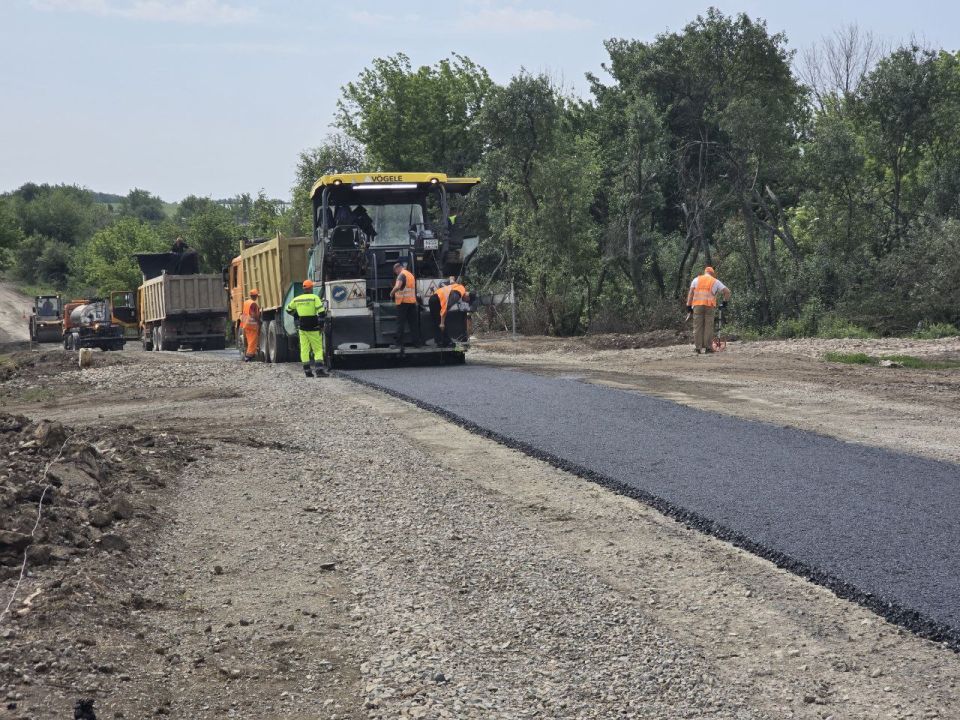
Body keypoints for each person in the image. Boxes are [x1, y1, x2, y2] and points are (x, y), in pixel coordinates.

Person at [285, 279, 328, 377]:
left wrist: (296, 316)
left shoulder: (297, 299)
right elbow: (321, 313)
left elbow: (288, 309)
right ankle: (319, 371)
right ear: (311, 288)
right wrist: (321, 325)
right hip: (313, 326)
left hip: (302, 327)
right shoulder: (314, 298)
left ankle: (307, 371)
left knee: (304, 349)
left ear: (303, 288)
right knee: (317, 349)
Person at [686, 266, 731, 354]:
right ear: (712, 273)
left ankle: (698, 348)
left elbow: (691, 293)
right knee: (708, 327)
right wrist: (724, 303)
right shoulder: (715, 281)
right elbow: (727, 292)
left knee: (697, 327)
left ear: (705, 272)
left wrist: (688, 306)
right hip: (709, 306)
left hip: (697, 306)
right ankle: (708, 348)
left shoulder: (696, 280)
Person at [429, 278, 469, 346]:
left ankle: (441, 341)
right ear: (467, 295)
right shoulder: (458, 294)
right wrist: (442, 323)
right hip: (436, 300)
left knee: (436, 321)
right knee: (441, 322)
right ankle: (443, 342)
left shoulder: (459, 287)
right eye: (467, 300)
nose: (466, 301)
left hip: (434, 299)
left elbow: (451, 283)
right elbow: (445, 307)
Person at [390, 262, 419, 351]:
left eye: (395, 271)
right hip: (412, 302)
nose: (395, 273)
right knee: (413, 323)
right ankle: (417, 343)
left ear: (397, 269)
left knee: (400, 324)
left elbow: (398, 286)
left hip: (402, 302)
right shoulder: (410, 274)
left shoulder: (401, 275)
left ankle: (398, 344)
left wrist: (391, 293)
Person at [240, 288, 261, 362]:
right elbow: (253, 314)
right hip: (251, 324)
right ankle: (248, 356)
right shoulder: (253, 303)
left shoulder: (246, 302)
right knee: (253, 341)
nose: (257, 297)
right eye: (257, 296)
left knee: (249, 340)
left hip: (245, 324)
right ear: (255, 296)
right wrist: (259, 321)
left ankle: (250, 355)